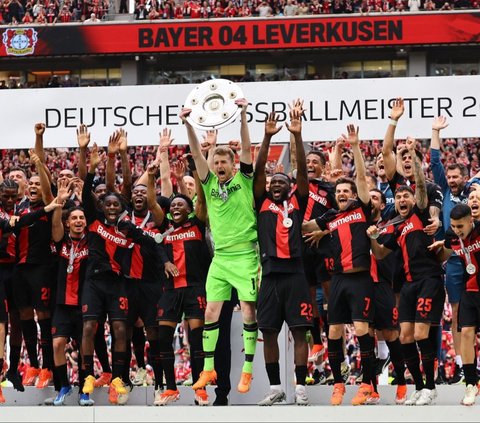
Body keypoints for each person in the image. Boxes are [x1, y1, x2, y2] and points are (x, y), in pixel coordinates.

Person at [180, 98, 259, 395]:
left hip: (245, 254)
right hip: (221, 259)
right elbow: (195, 155)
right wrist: (187, 123)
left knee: (249, 312)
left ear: (232, 164)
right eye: (216, 162)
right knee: (210, 313)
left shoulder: (244, 179)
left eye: (224, 162)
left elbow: (248, 149)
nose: (219, 165)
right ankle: (208, 370)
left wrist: (242, 116)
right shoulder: (210, 185)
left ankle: (248, 370)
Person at [368, 136, 445, 406]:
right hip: (408, 286)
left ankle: (431, 387)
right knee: (406, 336)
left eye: (406, 195)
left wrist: (411, 154)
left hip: (429, 280)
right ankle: (419, 386)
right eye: (398, 196)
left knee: (422, 334)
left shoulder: (422, 213)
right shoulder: (397, 225)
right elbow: (379, 254)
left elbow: (422, 188)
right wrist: (373, 237)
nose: (402, 198)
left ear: (413, 199)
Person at [303, 124, 376, 406]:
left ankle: (367, 384)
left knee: (361, 330)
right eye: (339, 191)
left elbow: (362, 181)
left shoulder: (362, 209)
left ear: (354, 194)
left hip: (360, 279)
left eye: (347, 190)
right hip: (338, 280)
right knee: (333, 331)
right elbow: (305, 226)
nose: (343, 194)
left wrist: (355, 147)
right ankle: (338, 384)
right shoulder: (331, 217)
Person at [254, 107, 312, 406]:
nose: (276, 185)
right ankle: (276, 386)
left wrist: (297, 137)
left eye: (281, 183)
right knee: (269, 331)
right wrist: (266, 137)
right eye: (272, 182)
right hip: (271, 275)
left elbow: (302, 171)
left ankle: (300, 387)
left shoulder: (298, 201)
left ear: (289, 188)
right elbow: (259, 168)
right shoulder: (261, 200)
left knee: (300, 332)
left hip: (296, 274)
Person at [430, 116, 473, 384]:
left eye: (457, 176)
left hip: (476, 255)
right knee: (457, 312)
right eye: (451, 176)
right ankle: (460, 365)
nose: (453, 179)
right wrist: (435, 131)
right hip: (454, 261)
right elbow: (435, 163)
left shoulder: (473, 193)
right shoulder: (444, 190)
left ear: (465, 177)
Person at [429, 203, 480, 406]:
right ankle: (470, 384)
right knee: (466, 332)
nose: (457, 230)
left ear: (471, 221)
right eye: (454, 226)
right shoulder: (451, 235)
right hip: (470, 289)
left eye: (461, 226)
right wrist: (439, 248)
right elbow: (448, 252)